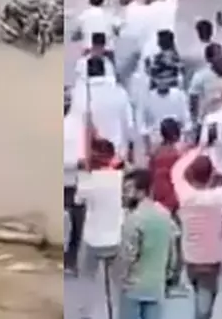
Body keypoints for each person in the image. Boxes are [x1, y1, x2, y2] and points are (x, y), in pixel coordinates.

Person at [171, 146, 222, 319]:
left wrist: (199, 148)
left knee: (200, 297)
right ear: (211, 175)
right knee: (205, 304)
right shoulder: (220, 198)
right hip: (212, 260)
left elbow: (176, 170)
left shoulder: (185, 196)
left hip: (190, 258)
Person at [118, 168, 179, 319]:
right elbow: (173, 250)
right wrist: (169, 275)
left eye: (127, 190)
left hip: (133, 288)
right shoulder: (165, 215)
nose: (124, 195)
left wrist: (121, 278)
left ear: (141, 192)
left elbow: (129, 255)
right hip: (156, 287)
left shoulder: (134, 219)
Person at [75, 138, 125, 319]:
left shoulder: (89, 180)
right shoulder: (121, 177)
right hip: (117, 235)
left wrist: (82, 174)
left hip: (93, 237)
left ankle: (85, 314)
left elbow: (78, 200)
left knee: (87, 279)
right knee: (118, 284)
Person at [71, 57, 136, 160]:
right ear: (104, 71)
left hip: (89, 159)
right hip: (117, 158)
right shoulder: (120, 93)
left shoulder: (79, 95)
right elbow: (130, 126)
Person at [63, 90, 87, 275]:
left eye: (67, 100)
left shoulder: (76, 124)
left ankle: (71, 260)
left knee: (77, 223)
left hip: (75, 182)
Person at [147, 118, 184, 214]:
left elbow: (150, 174)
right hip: (174, 197)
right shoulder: (178, 154)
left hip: (159, 195)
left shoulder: (155, 153)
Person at [139, 79, 189, 149]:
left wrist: (184, 141)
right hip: (156, 143)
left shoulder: (179, 95)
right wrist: (148, 147)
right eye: (159, 77)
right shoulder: (147, 98)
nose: (162, 81)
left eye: (165, 77)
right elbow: (143, 127)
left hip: (177, 141)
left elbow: (187, 123)